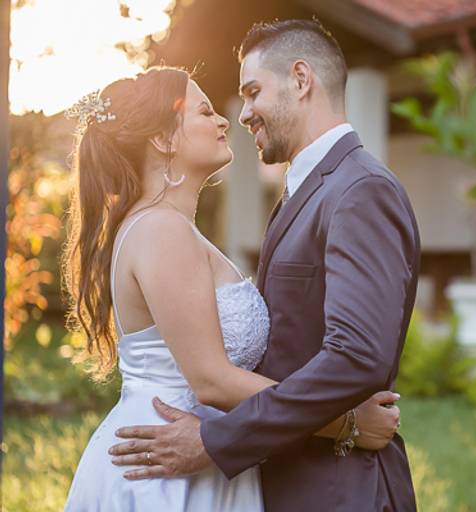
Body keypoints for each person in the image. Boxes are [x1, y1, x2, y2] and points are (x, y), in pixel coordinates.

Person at [109, 19, 421, 511]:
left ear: (301, 80)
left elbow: (357, 356)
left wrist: (219, 439)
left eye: (252, 93)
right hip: (286, 477)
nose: (243, 114)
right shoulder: (306, 192)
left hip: (340, 489)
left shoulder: (360, 191)